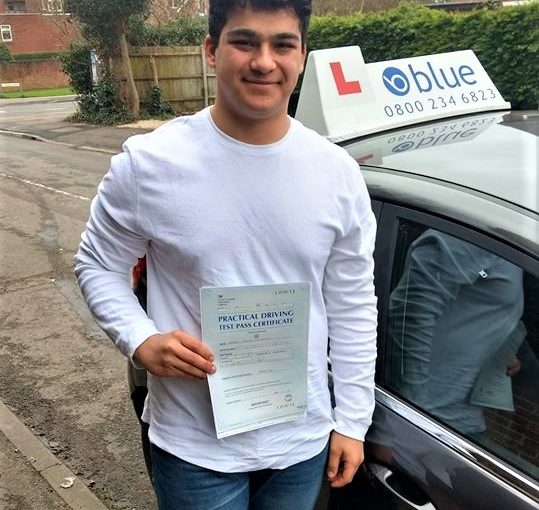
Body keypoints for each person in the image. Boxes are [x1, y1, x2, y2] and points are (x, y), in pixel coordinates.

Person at [75, 1, 378, 508]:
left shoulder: (338, 173)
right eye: (245, 42)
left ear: (302, 55)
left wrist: (352, 420)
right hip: (195, 447)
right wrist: (141, 339)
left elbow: (351, 304)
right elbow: (98, 264)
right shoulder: (149, 164)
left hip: (300, 443)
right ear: (212, 51)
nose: (264, 61)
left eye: (283, 44)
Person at [387, 229, 525, 437]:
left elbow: (476, 308)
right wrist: (405, 418)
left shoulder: (512, 237)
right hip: (425, 423)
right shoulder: (481, 229)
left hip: (462, 422)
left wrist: (499, 346)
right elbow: (411, 312)